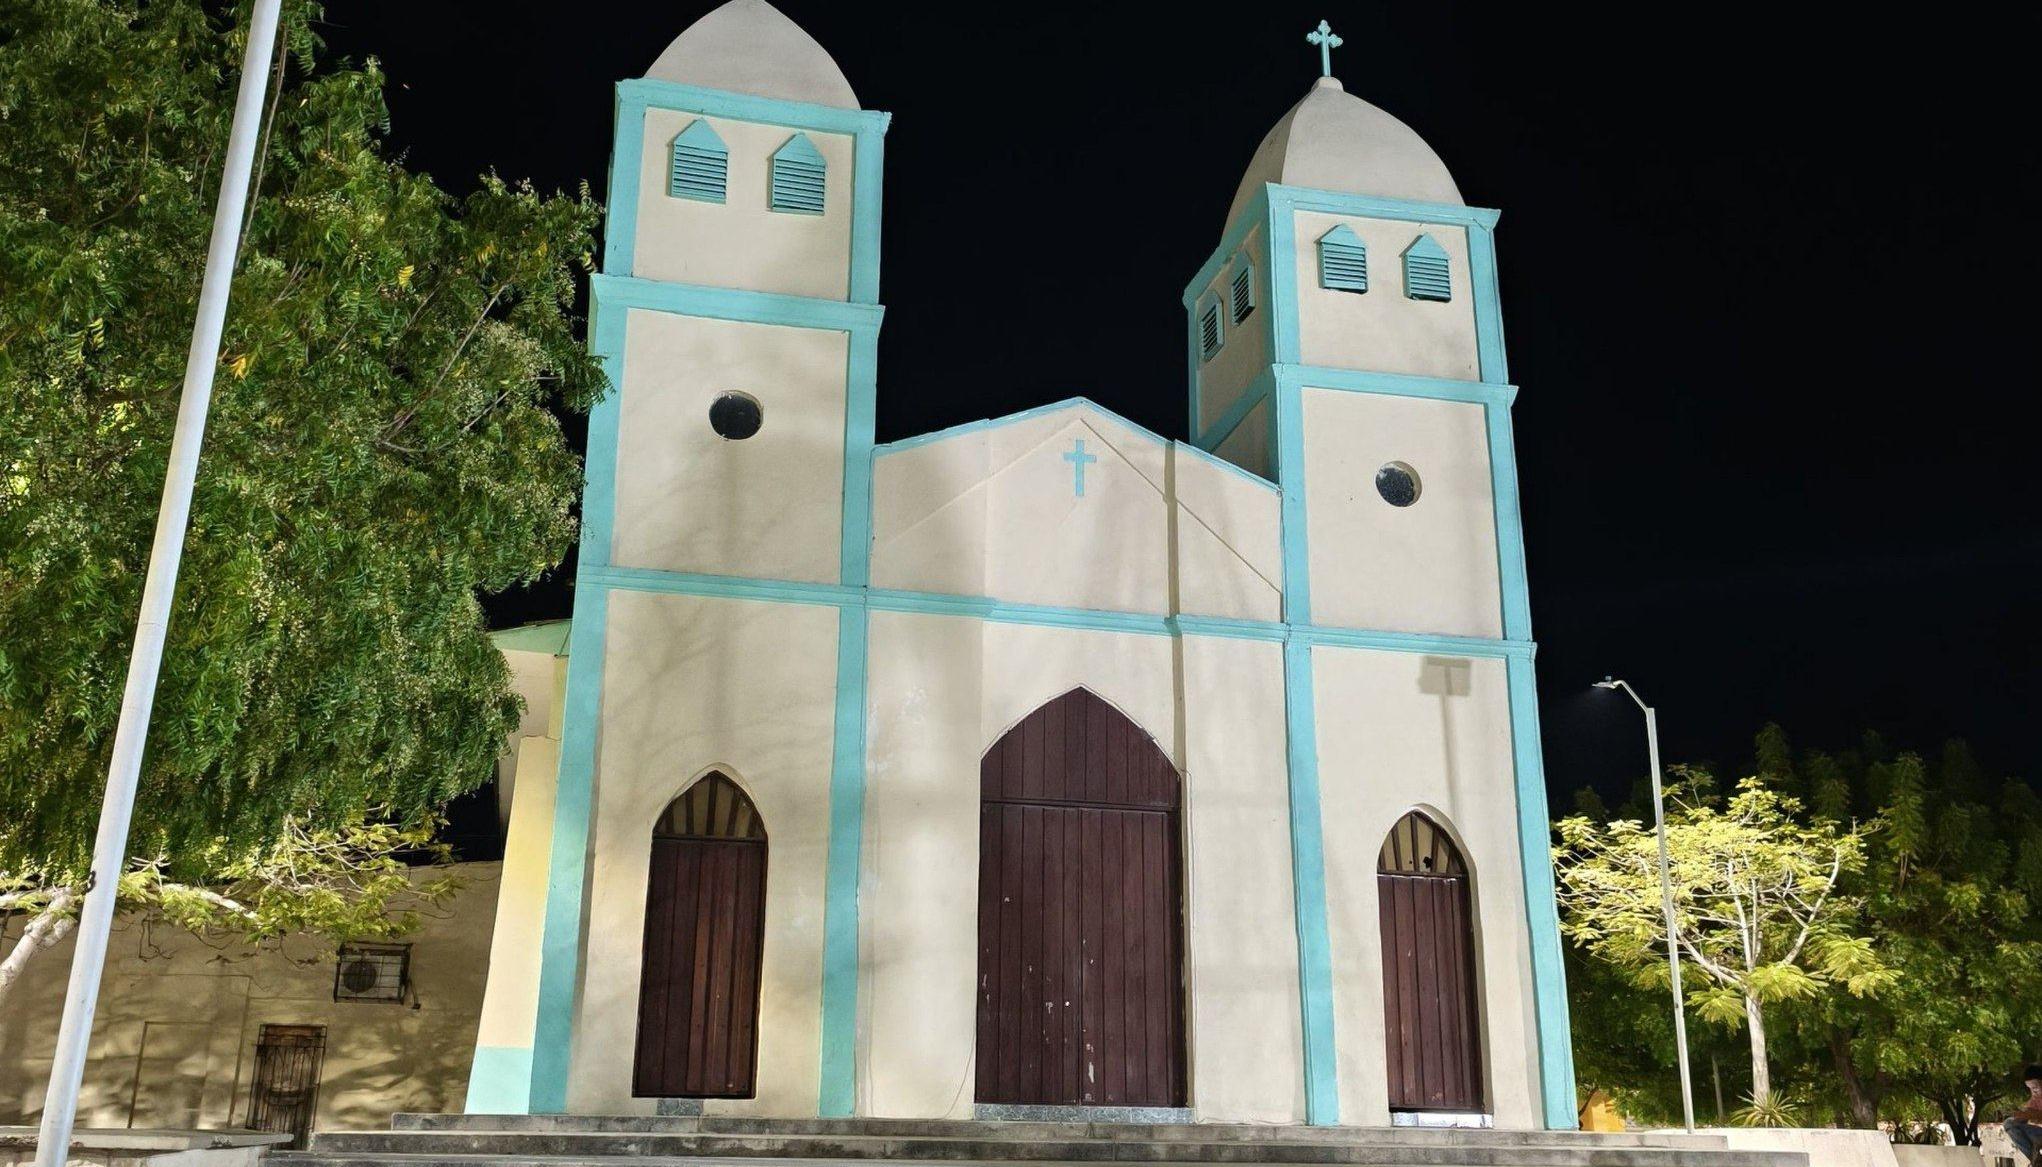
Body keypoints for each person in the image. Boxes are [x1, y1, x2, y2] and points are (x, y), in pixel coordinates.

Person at [2006, 1065, 2042, 1164]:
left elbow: (2035, 1114)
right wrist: (2019, 1116)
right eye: (2030, 1088)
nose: (2033, 1091)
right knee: (2009, 1123)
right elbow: (2028, 1112)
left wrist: (2030, 1115)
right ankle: (2036, 1159)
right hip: (2036, 1134)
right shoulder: (2035, 1099)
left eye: (2035, 1087)